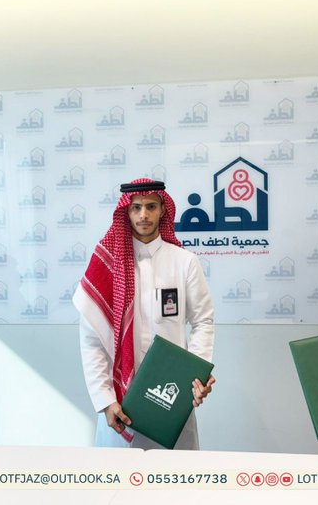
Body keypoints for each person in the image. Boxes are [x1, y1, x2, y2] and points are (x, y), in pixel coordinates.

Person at [73, 178, 215, 449]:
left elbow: (203, 321)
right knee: (118, 477)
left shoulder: (184, 262)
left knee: (176, 475)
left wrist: (196, 374)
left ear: (163, 210)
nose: (143, 215)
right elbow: (91, 339)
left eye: (151, 207)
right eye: (136, 207)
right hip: (118, 403)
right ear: (126, 212)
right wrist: (105, 400)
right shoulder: (107, 266)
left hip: (173, 398)